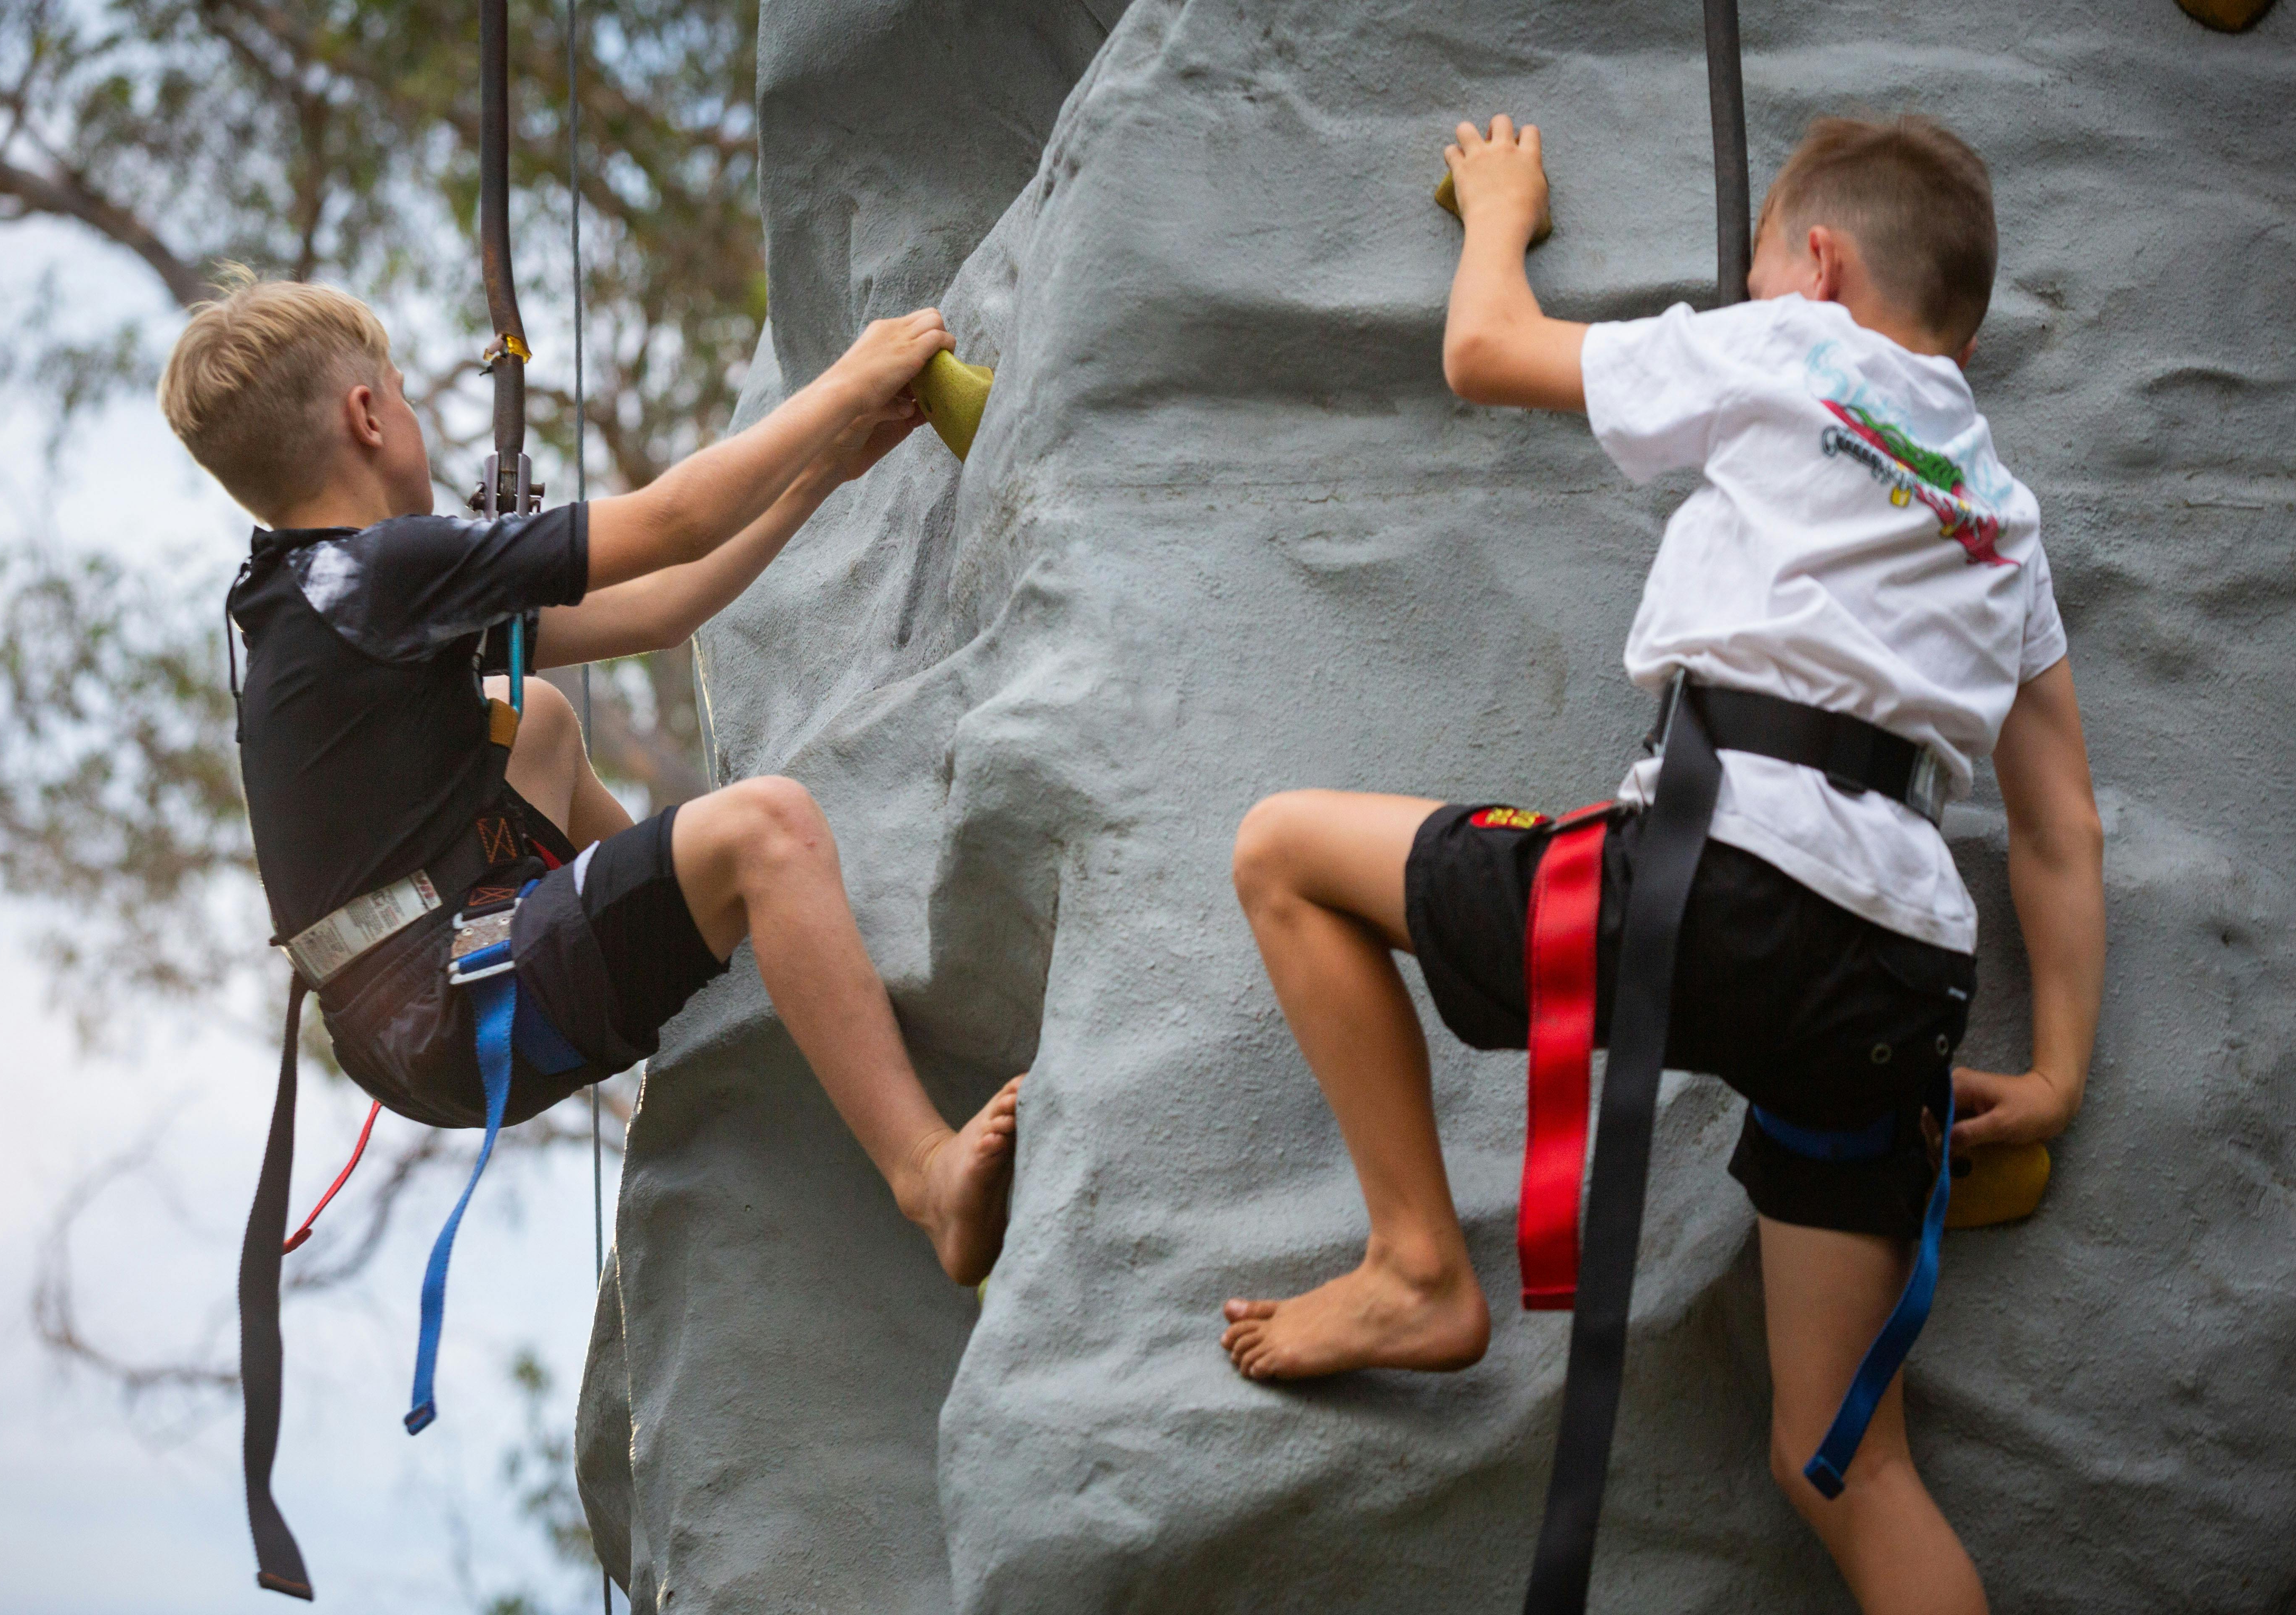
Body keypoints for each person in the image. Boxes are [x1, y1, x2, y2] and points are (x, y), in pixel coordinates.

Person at [1218, 115, 2105, 1615]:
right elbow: (2058, 824)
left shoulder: (1781, 348)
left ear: (1813, 266)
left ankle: (1420, 1263)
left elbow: (1487, 351)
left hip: (1711, 876)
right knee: (1846, 1465)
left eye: (1760, 255)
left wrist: (1497, 209)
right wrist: (2065, 1070)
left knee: (1285, 852)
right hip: (1893, 975)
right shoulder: (2004, 523)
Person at [159, 273, 1020, 1288]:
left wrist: (825, 471)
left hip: (414, 998)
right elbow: (669, 526)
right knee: (768, 830)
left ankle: (716, 955)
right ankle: (926, 1172)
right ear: (368, 414)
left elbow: (662, 605)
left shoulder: (315, 594)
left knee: (545, 722)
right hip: (449, 1004)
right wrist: (848, 381)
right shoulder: (381, 571)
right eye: (402, 393)